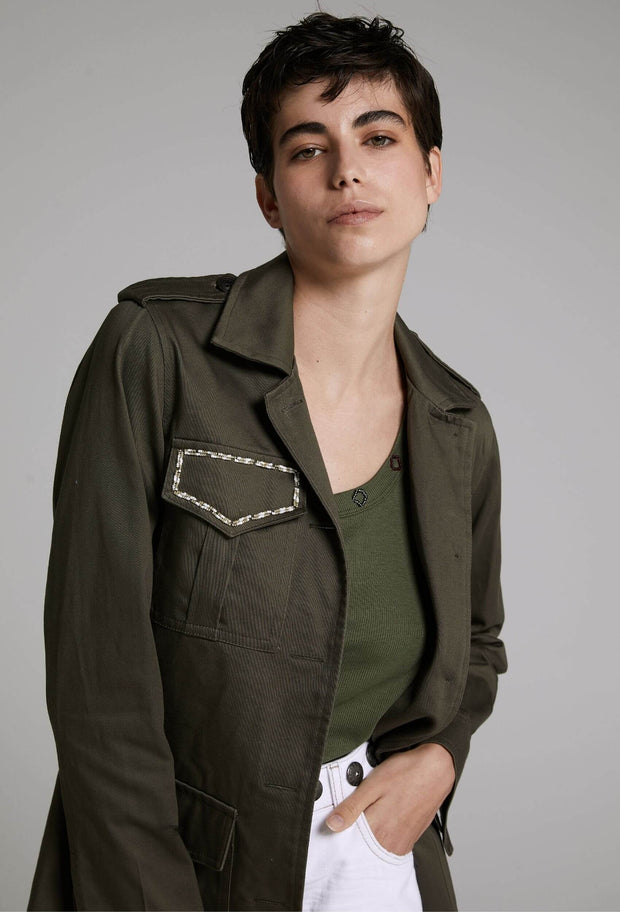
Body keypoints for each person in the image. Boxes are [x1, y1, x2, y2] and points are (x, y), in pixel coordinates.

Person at [27, 11, 507, 912]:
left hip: (376, 853)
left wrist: (440, 760)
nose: (346, 169)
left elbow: (477, 644)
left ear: (431, 174)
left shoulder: (457, 423)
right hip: (186, 864)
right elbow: (100, 687)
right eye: (307, 147)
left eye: (379, 137)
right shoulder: (156, 352)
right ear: (268, 195)